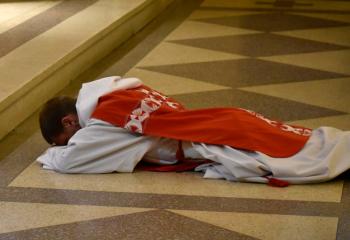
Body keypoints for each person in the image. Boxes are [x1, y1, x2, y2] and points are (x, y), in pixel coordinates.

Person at [37, 76, 350, 186]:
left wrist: (52, 153)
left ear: (69, 122)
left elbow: (71, 161)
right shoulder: (114, 93)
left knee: (299, 158)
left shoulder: (104, 119)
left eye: (66, 140)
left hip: (214, 140)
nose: (71, 144)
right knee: (303, 141)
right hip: (219, 122)